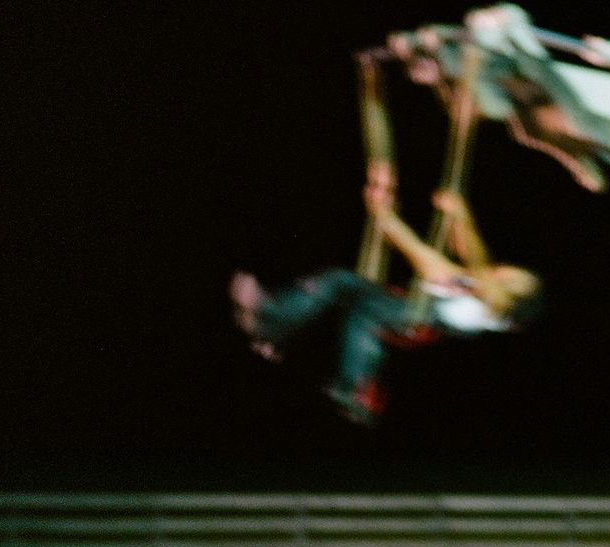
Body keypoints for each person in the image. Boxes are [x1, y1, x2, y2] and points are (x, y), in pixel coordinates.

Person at [231, 162, 542, 425]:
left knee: (353, 301)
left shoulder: (493, 307)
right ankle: (278, 327)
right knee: (351, 299)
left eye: (510, 275)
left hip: (418, 319)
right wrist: (449, 215)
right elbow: (467, 255)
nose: (504, 270)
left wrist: (391, 217)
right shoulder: (477, 287)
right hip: (408, 310)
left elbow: (440, 260)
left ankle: (345, 376)